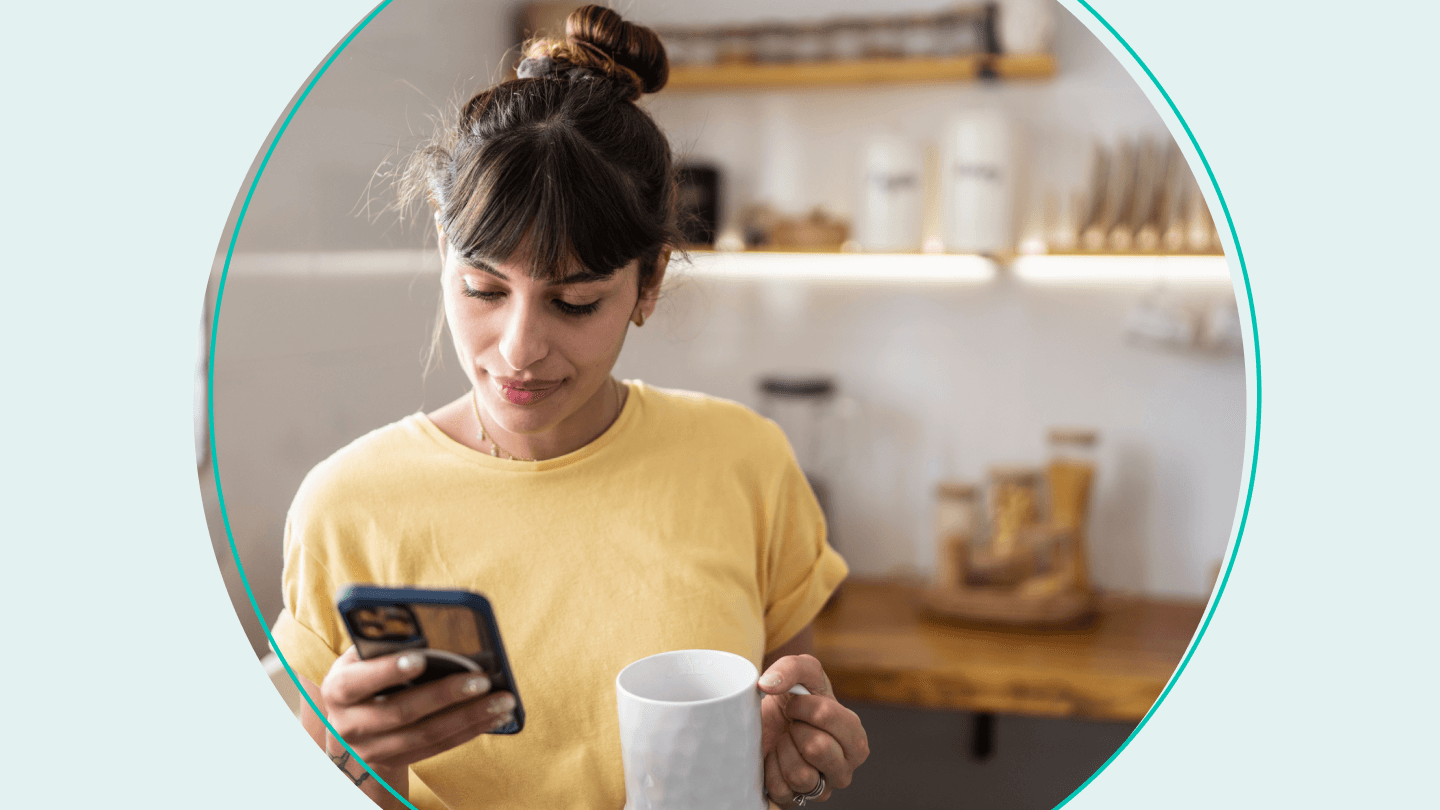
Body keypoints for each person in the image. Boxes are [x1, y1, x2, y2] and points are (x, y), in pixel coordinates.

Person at [270, 7, 868, 809]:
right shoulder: (347, 504)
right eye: (483, 288)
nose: (518, 348)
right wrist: (332, 756)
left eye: (575, 302)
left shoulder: (745, 462)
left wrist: (797, 757)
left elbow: (776, 735)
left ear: (648, 283)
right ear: (444, 254)